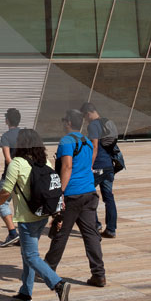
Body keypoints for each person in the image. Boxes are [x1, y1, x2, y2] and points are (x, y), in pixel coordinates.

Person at [0, 128, 71, 301]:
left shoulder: (16, 163)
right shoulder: (45, 162)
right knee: (28, 253)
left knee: (30, 255)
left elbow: (5, 191)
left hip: (26, 218)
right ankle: (26, 292)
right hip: (42, 215)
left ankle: (58, 284)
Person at [44, 109, 106, 287]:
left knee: (61, 233)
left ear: (68, 123)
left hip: (72, 194)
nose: (63, 123)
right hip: (89, 193)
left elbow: (67, 167)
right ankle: (99, 274)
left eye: (64, 120)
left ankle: (48, 269)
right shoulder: (86, 141)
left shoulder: (66, 141)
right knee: (91, 235)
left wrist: (59, 193)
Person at [81, 102, 119, 238]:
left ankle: (95, 225)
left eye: (85, 117)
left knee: (89, 195)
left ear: (88, 113)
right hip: (109, 166)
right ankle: (111, 229)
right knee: (108, 197)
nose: (85, 120)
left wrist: (89, 165)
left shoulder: (93, 125)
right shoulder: (107, 122)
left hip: (98, 166)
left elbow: (94, 146)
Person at [0, 108, 22, 247]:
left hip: (10, 176)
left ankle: (12, 233)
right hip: (25, 176)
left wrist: (14, 173)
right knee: (21, 204)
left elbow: (8, 159)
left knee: (1, 203)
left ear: (7, 120)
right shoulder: (25, 135)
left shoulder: (6, 136)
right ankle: (22, 236)